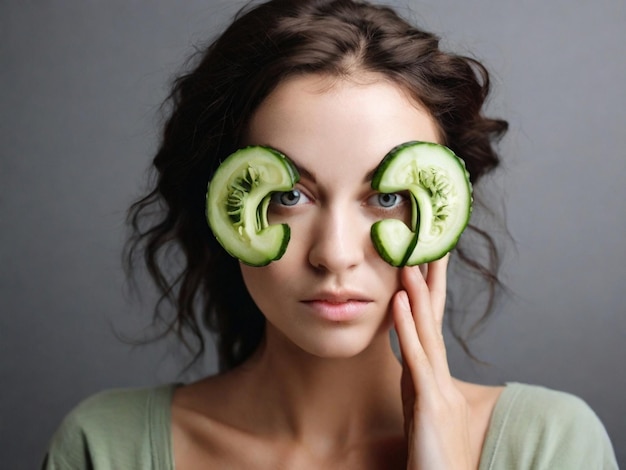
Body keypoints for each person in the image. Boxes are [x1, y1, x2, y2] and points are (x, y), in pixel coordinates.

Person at [42, 0, 618, 468]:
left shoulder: (549, 447)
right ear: (225, 205)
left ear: (440, 214)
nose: (336, 254)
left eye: (387, 197)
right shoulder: (105, 447)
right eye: (289, 196)